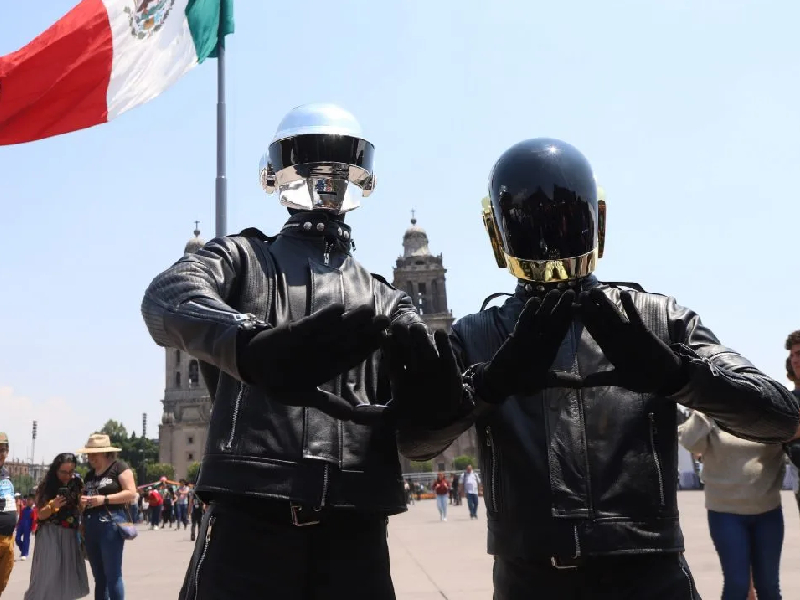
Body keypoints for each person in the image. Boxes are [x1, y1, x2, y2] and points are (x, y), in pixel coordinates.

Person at [388, 138, 800, 599]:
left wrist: (680, 376)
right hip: (545, 578)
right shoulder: (479, 336)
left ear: (496, 235)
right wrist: (489, 383)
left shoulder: (656, 321)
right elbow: (415, 441)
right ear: (598, 221)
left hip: (636, 575)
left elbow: (783, 416)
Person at [140, 103, 455, 600]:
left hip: (355, 545)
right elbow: (166, 297)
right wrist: (249, 342)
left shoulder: (387, 301)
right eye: (311, 171)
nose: (324, 184)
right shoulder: (243, 259)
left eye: (337, 173)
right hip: (250, 530)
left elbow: (417, 440)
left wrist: (445, 404)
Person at [679, 409, 791, 600]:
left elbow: (791, 437)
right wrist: (707, 407)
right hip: (725, 512)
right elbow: (688, 441)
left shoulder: (769, 407)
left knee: (769, 586)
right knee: (737, 584)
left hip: (768, 511)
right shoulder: (714, 408)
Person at [78, 433, 138, 600]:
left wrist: (104, 499)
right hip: (91, 525)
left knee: (113, 575)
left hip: (110, 524)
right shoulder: (90, 475)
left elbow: (131, 493)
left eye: (94, 454)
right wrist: (83, 503)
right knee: (99, 577)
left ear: (105, 452)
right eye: (88, 454)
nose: (90, 457)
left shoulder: (119, 467)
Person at [24, 453, 90, 600]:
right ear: (55, 469)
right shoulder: (46, 484)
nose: (67, 476)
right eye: (63, 472)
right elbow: (40, 515)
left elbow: (79, 507)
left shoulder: (77, 482)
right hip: (49, 533)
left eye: (71, 472)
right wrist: (52, 506)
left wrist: (83, 505)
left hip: (70, 534)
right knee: (47, 574)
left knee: (67, 576)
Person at [0, 432, 16, 594]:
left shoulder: (5, 473)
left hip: (8, 538)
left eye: (3, 450)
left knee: (2, 582)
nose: (0, 454)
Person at [15, 493, 35, 561]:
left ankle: (24, 554)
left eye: (30, 500)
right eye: (27, 500)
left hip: (27, 526)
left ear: (33, 502)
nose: (28, 501)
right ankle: (22, 548)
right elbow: (20, 517)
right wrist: (17, 525)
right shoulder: (23, 509)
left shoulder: (33, 511)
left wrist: (33, 528)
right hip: (21, 525)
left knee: (26, 540)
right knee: (17, 539)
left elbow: (34, 520)